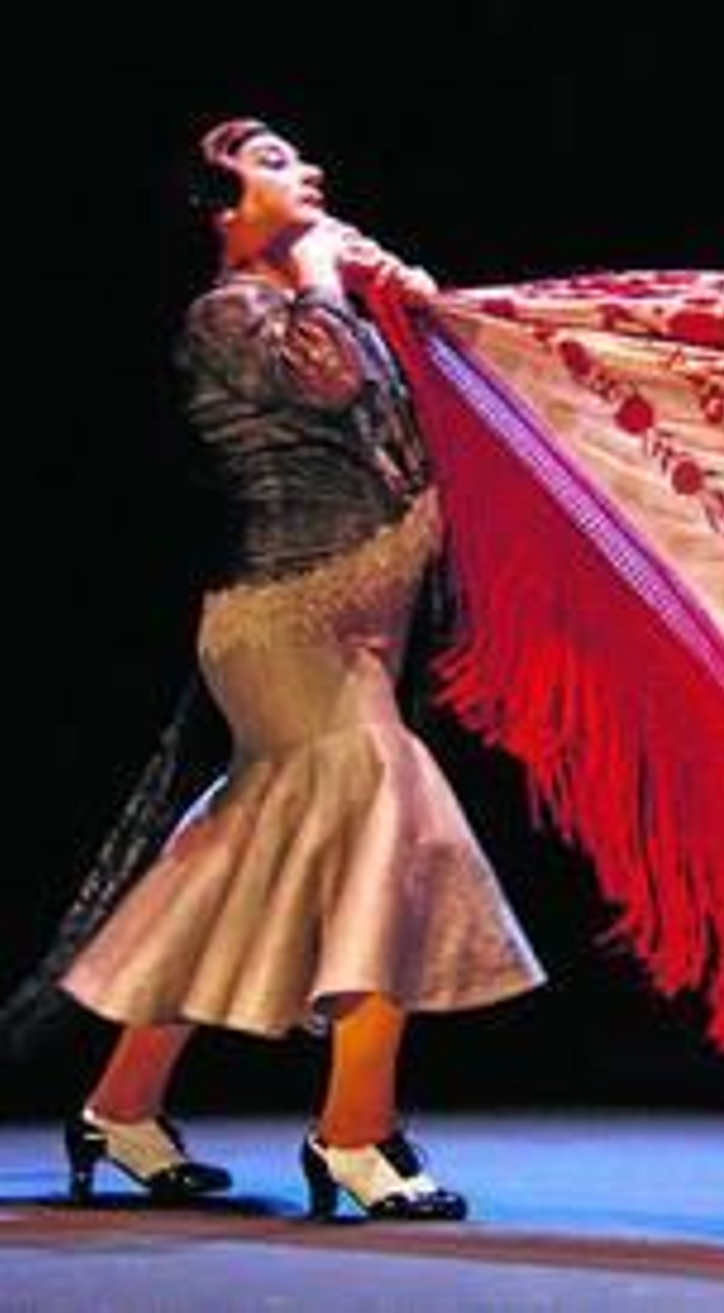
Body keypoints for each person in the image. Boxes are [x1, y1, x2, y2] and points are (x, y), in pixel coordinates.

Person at [2, 117, 544, 1221]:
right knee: (394, 826)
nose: (314, 174)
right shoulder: (231, 314)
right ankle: (355, 1132)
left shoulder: (308, 294)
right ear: (218, 204)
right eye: (279, 163)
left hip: (360, 619)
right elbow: (334, 379)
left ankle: (120, 1109)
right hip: (289, 623)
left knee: (243, 856)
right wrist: (328, 264)